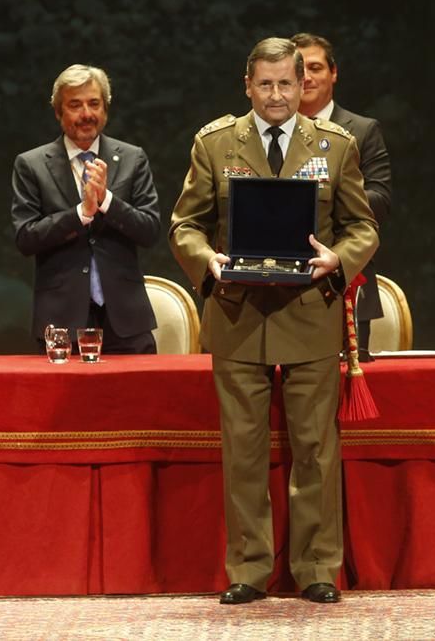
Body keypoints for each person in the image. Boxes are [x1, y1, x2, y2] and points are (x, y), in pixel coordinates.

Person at [169, 37, 378, 605]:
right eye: (265, 84)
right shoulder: (214, 144)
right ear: (247, 85)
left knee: (315, 447)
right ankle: (250, 569)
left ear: (303, 82)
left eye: (288, 82)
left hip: (311, 315)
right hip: (238, 315)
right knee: (243, 448)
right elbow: (185, 225)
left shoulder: (335, 146)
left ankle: (315, 568)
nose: (278, 94)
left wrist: (340, 259)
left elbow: (363, 227)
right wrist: (205, 261)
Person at [11, 65, 160, 354]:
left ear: (105, 108)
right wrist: (81, 213)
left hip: (127, 322)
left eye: (94, 103)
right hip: (61, 322)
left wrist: (106, 202)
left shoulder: (133, 158)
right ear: (58, 112)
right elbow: (26, 238)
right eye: (75, 105)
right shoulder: (31, 164)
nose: (86, 114)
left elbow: (150, 230)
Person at [291, 33, 391, 359]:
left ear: (333, 73)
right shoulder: (272, 131)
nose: (306, 77)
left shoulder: (362, 130)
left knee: (344, 398)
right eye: (299, 68)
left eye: (316, 67)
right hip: (282, 284)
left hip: (348, 281)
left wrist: (323, 195)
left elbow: (381, 199)